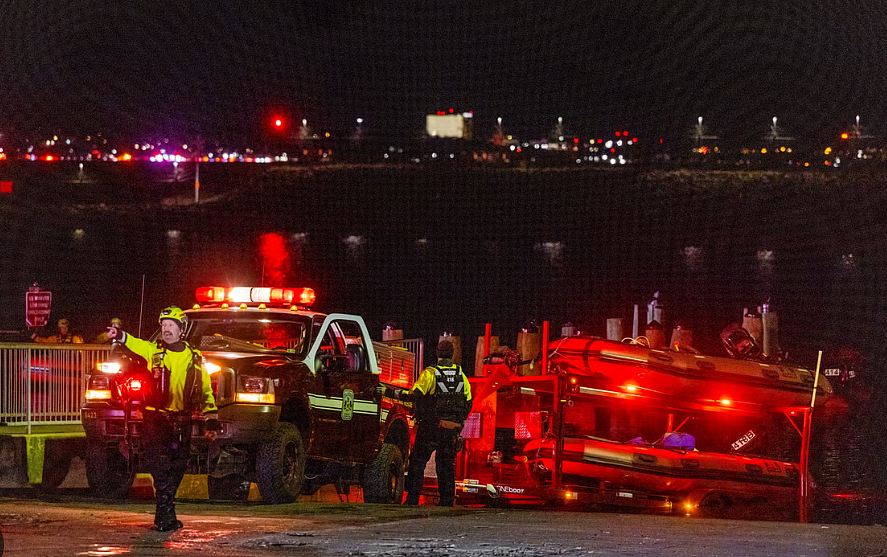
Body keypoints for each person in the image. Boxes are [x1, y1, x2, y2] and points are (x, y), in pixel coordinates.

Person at [106, 306, 219, 532]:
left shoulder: (195, 358)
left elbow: (205, 390)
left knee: (178, 467)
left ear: (181, 329)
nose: (166, 330)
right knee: (159, 465)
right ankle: (166, 512)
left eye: (171, 326)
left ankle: (164, 511)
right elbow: (135, 343)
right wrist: (119, 335)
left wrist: (210, 420)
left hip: (182, 420)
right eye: (163, 326)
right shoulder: (153, 351)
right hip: (155, 419)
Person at [392, 339, 472, 507]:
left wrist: (393, 393)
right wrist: (457, 422)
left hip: (431, 427)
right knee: (445, 466)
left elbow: (415, 395)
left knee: (417, 462)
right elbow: (468, 402)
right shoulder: (461, 376)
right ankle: (446, 502)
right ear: (452, 354)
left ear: (437, 353)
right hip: (451, 430)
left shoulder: (430, 374)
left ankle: (412, 499)